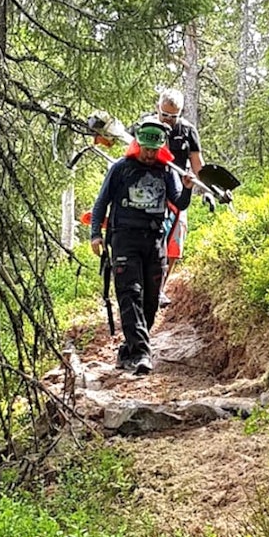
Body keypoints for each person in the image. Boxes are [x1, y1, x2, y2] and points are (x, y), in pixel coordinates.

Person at [90, 118, 193, 374]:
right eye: (146, 149)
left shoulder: (167, 171)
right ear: (138, 144)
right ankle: (141, 354)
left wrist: (188, 188)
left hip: (155, 239)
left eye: (154, 150)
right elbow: (101, 202)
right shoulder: (121, 169)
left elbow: (179, 203)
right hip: (124, 238)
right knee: (130, 294)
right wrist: (95, 234)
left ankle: (129, 350)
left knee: (150, 300)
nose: (149, 155)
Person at [130, 89, 203, 307]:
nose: (169, 121)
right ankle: (138, 286)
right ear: (158, 108)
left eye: (174, 116)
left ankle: (159, 288)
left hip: (178, 191)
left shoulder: (188, 131)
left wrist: (208, 189)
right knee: (148, 240)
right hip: (148, 190)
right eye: (165, 115)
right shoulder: (144, 127)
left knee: (174, 242)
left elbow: (198, 165)